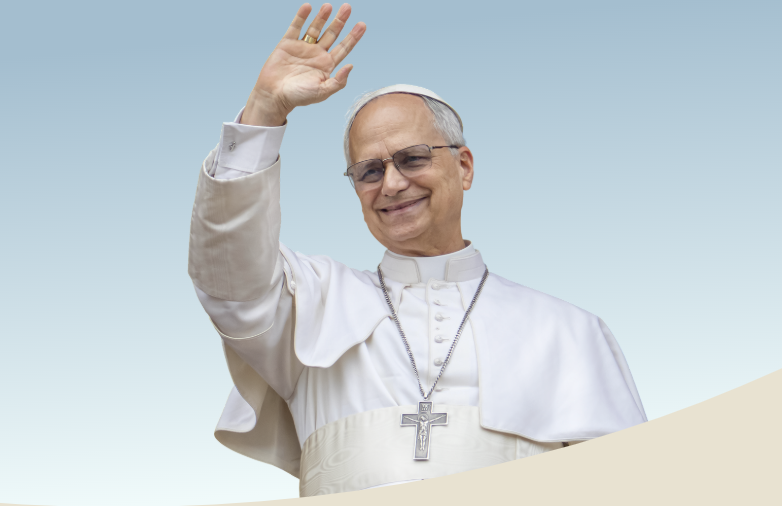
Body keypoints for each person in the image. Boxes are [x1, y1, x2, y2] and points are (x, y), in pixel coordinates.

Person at [188, 3, 647, 496]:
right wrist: (263, 111)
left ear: (464, 167)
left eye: (412, 158)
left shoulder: (569, 331)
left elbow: (627, 484)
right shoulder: (310, 302)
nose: (391, 184)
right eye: (369, 171)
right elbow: (228, 271)